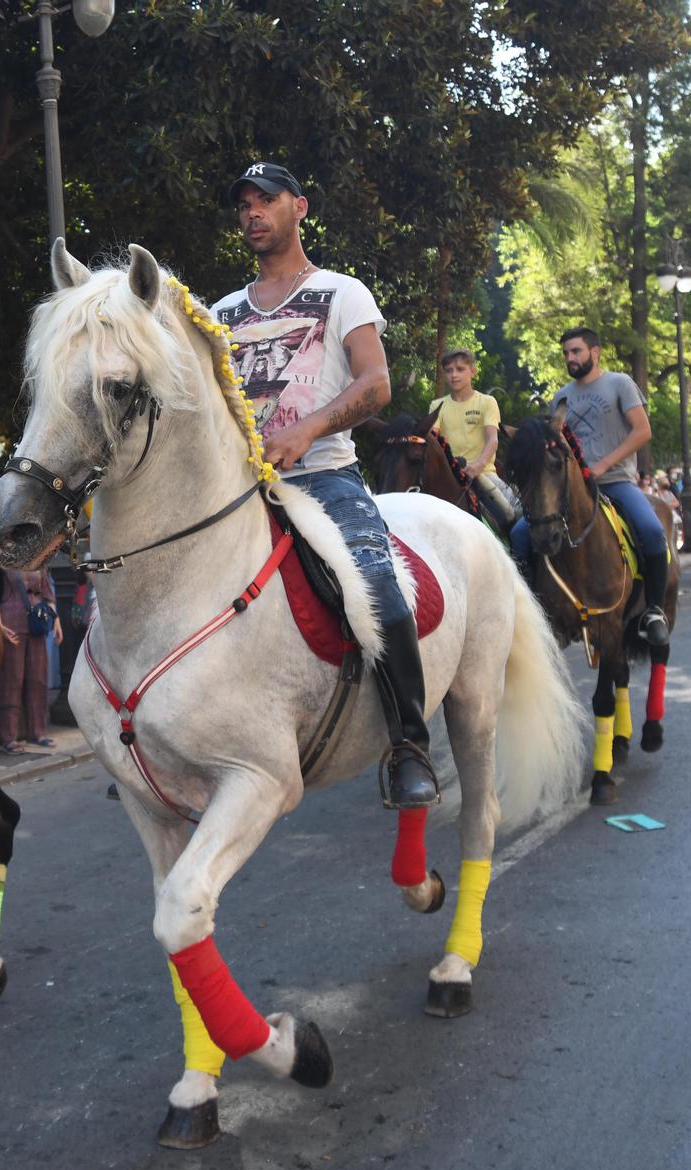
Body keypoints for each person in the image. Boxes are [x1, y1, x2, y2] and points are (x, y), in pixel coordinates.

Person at [213, 161, 438, 807]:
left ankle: (409, 747)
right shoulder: (222, 312)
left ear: (300, 207)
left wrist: (305, 430)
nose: (253, 213)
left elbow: (376, 385)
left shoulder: (343, 292)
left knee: (381, 594)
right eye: (244, 205)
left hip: (324, 477)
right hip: (240, 489)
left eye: (267, 200)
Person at [510, 328, 672, 646]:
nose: (570, 358)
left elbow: (642, 432)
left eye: (576, 351)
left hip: (616, 481)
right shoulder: (561, 397)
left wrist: (601, 465)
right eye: (567, 353)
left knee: (652, 531)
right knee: (519, 534)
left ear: (594, 352)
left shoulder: (620, 384)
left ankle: (654, 609)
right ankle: (533, 613)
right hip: (571, 489)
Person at [431, 349, 517, 534]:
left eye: (460, 369)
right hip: (450, 476)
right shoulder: (437, 405)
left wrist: (477, 466)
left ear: (472, 371)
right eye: (448, 370)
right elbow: (432, 441)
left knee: (515, 517)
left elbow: (492, 440)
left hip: (484, 474)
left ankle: (519, 560)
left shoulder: (487, 402)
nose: (453, 375)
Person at [0, 567, 57, 753]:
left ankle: (38, 732)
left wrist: (56, 621)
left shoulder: (39, 561)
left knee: (38, 679)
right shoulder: (1, 562)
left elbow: (48, 595)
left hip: (37, 625)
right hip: (11, 624)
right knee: (11, 682)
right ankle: (8, 736)